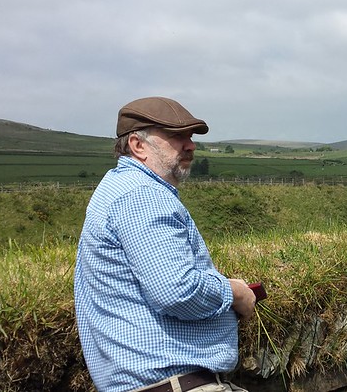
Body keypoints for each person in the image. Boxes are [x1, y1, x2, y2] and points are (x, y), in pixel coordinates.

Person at [74, 96, 256, 392]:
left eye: (190, 136)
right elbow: (176, 291)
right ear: (138, 145)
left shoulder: (120, 187)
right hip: (177, 384)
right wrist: (232, 292)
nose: (190, 145)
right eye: (176, 136)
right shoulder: (142, 195)